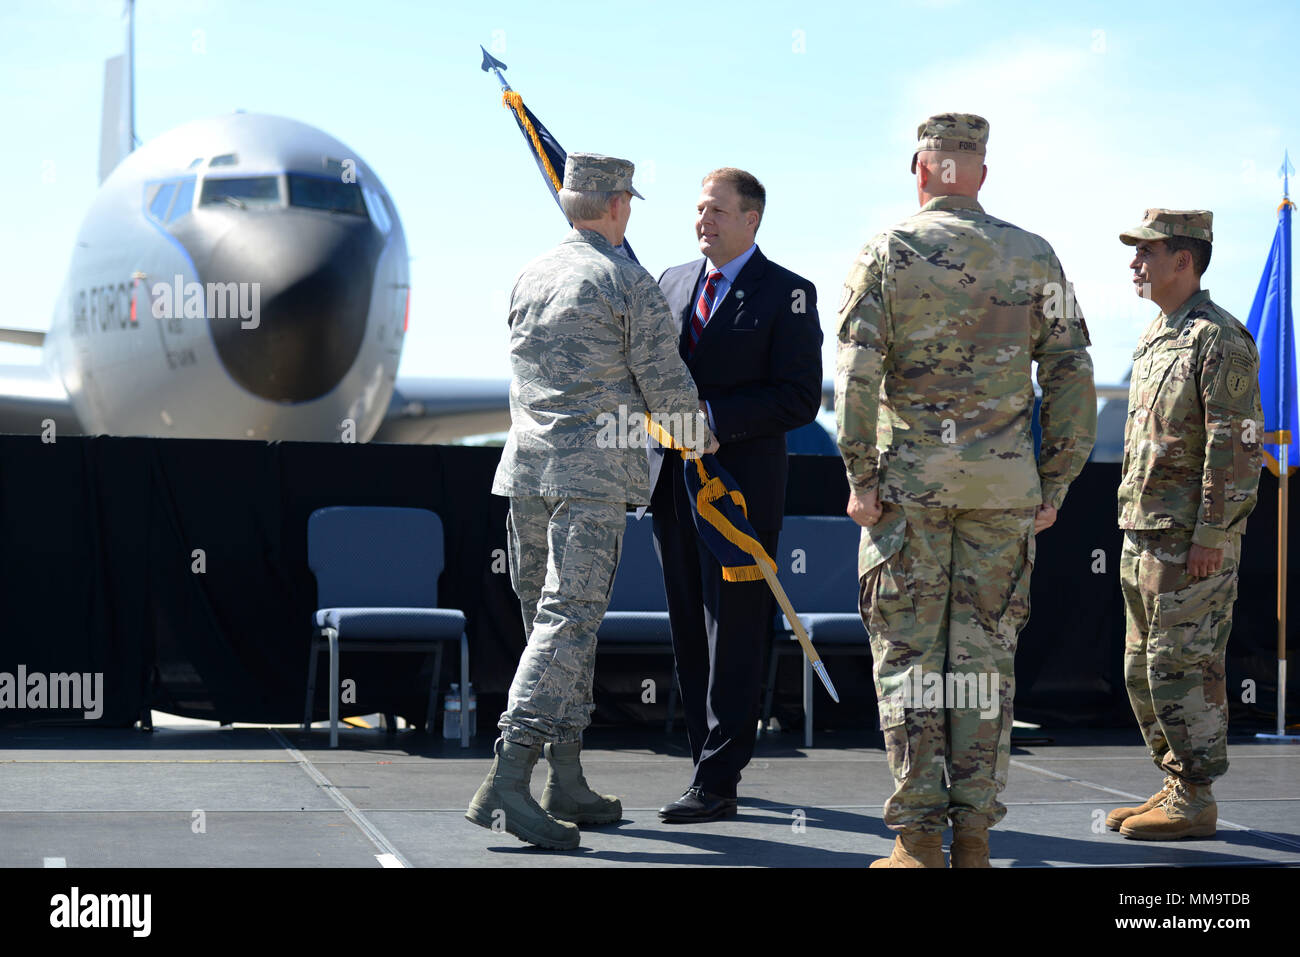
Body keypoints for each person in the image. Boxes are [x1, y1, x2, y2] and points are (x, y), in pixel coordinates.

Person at [836, 113, 1096, 867]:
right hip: (1002, 492)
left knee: (912, 660)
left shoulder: (888, 251)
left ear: (919, 170)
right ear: (979, 173)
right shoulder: (1033, 254)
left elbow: (855, 374)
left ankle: (917, 839)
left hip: (907, 495)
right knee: (984, 663)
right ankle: (975, 836)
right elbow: (1073, 370)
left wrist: (860, 476)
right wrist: (1055, 480)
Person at [466, 153, 716, 849]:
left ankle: (565, 775)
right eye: (627, 201)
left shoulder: (529, 274)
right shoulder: (626, 280)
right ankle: (510, 776)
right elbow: (667, 387)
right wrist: (704, 440)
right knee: (569, 624)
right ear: (615, 205)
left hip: (525, 475)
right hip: (591, 478)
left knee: (547, 625)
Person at [650, 167, 822, 823]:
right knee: (690, 633)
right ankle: (705, 761)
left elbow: (799, 397)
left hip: (739, 495)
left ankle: (721, 777)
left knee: (738, 634)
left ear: (752, 219)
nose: (704, 220)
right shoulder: (668, 283)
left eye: (717, 210)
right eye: (699, 209)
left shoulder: (788, 293)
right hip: (671, 484)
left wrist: (715, 417)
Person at [1107, 209, 1263, 841]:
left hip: (1189, 538)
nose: (1134, 262)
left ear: (1184, 260)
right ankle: (1176, 781)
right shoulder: (1157, 335)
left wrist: (1212, 533)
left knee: (1183, 665)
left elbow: (1236, 441)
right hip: (1144, 531)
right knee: (1142, 666)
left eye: (1147, 251)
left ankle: (1196, 795)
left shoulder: (1218, 338)